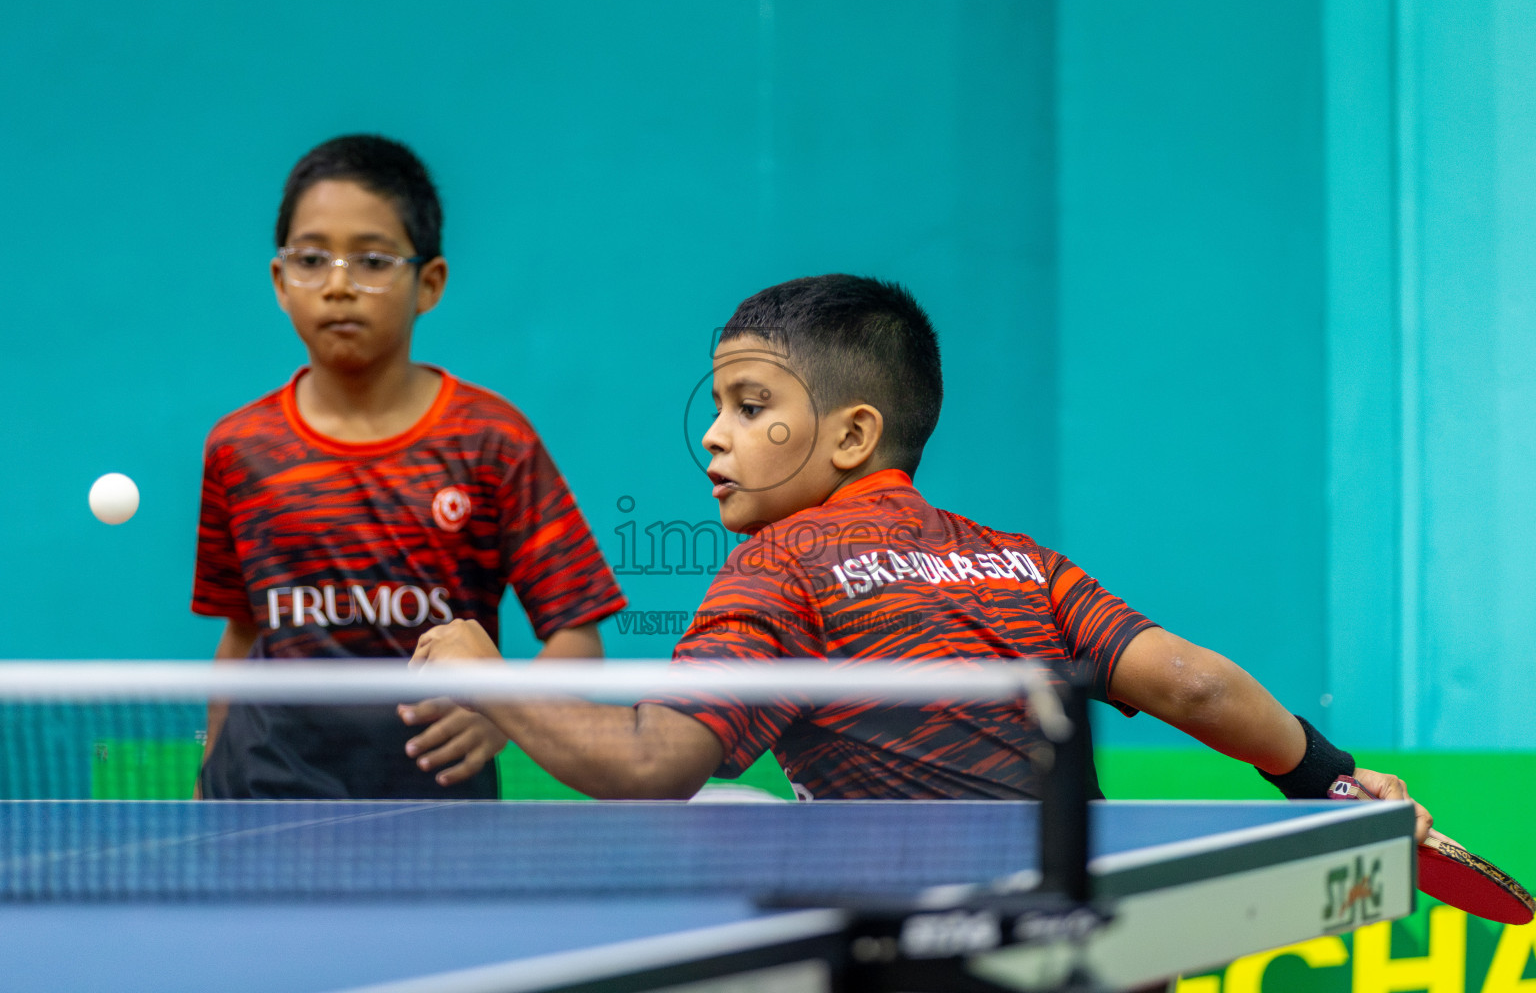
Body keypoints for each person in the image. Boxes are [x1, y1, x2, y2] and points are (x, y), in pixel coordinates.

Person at [409, 274, 1429, 834]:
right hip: (1084, 931)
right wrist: (1326, 776)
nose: (712, 434)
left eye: (750, 406)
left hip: (934, 949)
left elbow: (650, 767)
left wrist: (486, 674)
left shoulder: (782, 567)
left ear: (850, 435)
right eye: (716, 405)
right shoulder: (1022, 561)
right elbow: (1193, 682)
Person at [192, 135, 625, 798]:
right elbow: (241, 637)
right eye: (312, 259)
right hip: (261, 796)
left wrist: (505, 713)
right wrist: (202, 798)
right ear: (281, 282)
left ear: (429, 283)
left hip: (434, 805)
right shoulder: (239, 448)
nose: (338, 285)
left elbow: (578, 638)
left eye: (371, 259)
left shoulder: (490, 439)